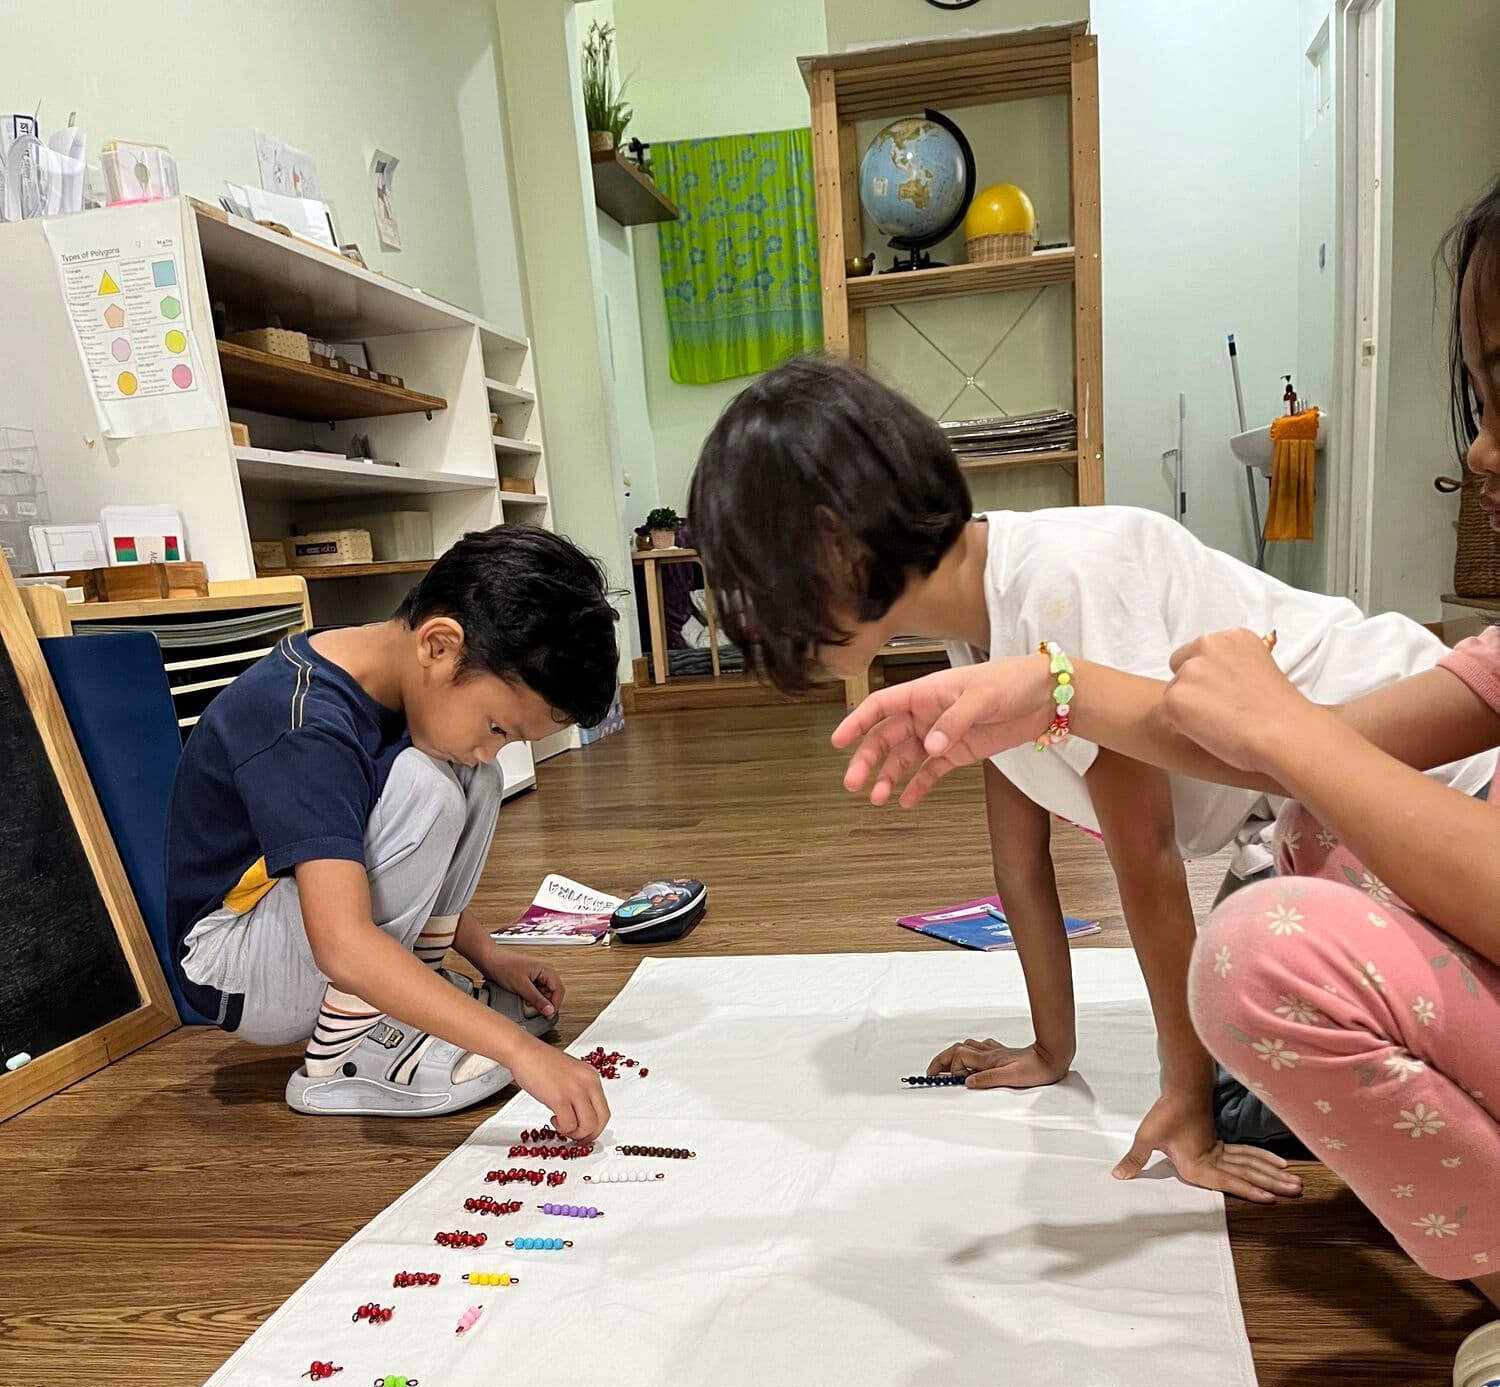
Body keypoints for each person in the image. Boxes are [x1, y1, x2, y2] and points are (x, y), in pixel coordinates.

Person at [826, 175, 1500, 1387]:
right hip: (1317, 819)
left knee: (1261, 955)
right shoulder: (992, 632)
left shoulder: (1064, 570)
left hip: (1370, 839)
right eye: (1482, 398)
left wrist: (1189, 1096)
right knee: (1287, 905)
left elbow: (1178, 841)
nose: (1482, 453)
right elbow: (1090, 826)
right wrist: (1057, 698)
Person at [688, 357, 1493, 1205]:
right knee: (1235, 1035)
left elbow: (1145, 859)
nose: (763, 622)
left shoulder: (1059, 582)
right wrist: (1049, 1051)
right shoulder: (977, 621)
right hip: (1299, 823)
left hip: (1431, 781)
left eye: (766, 587)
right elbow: (1019, 866)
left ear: (836, 546)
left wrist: (1187, 1102)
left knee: (1234, 1082)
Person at [166, 525, 617, 1135]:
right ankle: (343, 1053)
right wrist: (519, 1052)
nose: (494, 749)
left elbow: (370, 869)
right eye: (497, 726)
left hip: (298, 932)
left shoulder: (390, 676)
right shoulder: (304, 724)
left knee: (469, 777)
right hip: (236, 963)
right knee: (432, 783)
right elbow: (343, 940)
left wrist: (487, 955)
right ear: (439, 645)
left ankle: (415, 988)